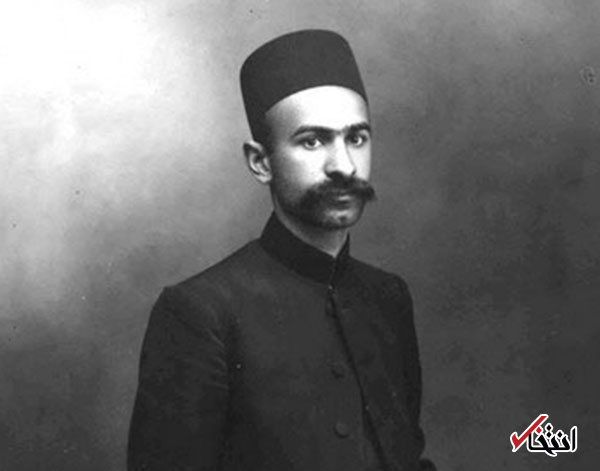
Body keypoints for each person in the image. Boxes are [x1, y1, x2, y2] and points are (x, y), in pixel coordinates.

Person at [128, 29, 435, 471]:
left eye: (356, 138)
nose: (344, 166)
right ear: (261, 162)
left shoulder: (388, 297)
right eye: (312, 141)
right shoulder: (201, 312)